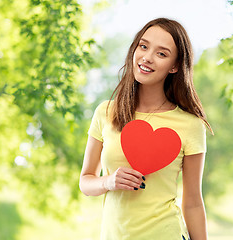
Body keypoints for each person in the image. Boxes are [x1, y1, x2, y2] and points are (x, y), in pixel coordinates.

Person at [79, 17, 213, 240]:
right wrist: (109, 181)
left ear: (175, 66)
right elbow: (86, 181)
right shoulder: (106, 112)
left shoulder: (190, 125)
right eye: (143, 46)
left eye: (161, 53)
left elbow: (193, 203)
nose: (147, 58)